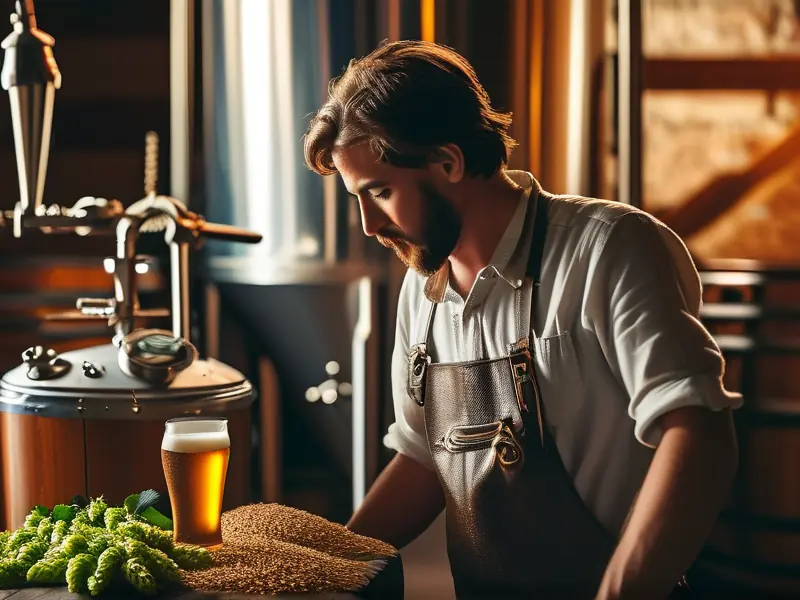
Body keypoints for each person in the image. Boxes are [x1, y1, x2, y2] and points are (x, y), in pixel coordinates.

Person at [303, 40, 741, 600]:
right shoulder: (422, 288)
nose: (368, 224)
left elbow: (700, 434)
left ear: (448, 161)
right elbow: (422, 458)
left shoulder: (608, 248)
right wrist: (327, 573)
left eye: (381, 192)